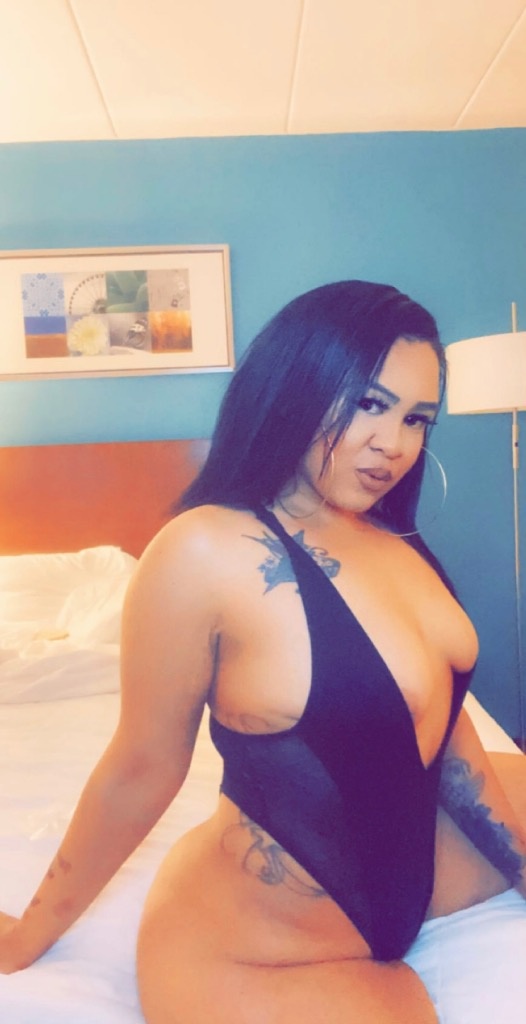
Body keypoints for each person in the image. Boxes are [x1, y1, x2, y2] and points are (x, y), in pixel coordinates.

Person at [1, 280, 525, 1024]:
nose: (395, 443)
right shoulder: (203, 550)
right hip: (262, 945)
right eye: (369, 404)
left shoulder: (388, 534)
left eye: (416, 418)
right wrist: (27, 934)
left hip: (420, 877)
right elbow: (140, 767)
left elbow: (438, 720)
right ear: (296, 387)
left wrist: (516, 859)